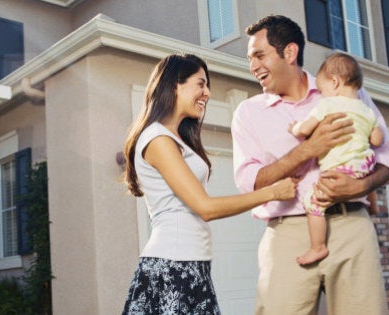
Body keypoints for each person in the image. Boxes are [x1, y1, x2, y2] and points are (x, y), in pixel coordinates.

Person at [231, 15, 389, 314]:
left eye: (259, 55)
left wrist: (360, 186)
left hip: (351, 224)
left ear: (290, 53)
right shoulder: (248, 112)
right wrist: (309, 149)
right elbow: (248, 182)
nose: (253, 66)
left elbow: (384, 160)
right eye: (250, 58)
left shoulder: (345, 90)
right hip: (286, 232)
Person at [121, 53, 297, 314]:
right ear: (174, 85)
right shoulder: (157, 139)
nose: (207, 93)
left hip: (192, 263)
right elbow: (206, 207)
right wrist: (272, 192)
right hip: (173, 266)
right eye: (200, 84)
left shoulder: (175, 137)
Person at [289, 52, 384, 266]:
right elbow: (377, 140)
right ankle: (373, 204)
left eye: (322, 90)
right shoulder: (367, 110)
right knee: (368, 172)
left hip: (340, 170)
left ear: (335, 82)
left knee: (313, 202)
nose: (321, 95)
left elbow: (304, 129)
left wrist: (294, 128)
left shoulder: (328, 105)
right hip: (363, 166)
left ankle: (318, 247)